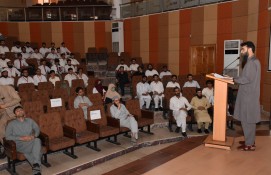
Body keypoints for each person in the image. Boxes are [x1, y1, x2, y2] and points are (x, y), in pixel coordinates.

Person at [233, 41, 261, 151]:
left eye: (243, 49)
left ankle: (249, 144)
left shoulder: (252, 63)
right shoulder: (252, 61)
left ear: (249, 49)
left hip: (248, 96)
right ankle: (250, 140)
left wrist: (233, 80)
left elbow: (247, 79)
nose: (241, 51)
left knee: (247, 120)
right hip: (248, 95)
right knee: (248, 120)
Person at [5, 106, 42, 175]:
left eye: (21, 110)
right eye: (17, 111)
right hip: (20, 144)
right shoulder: (11, 124)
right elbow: (7, 137)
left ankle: (36, 169)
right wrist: (21, 138)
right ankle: (37, 163)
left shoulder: (30, 120)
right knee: (37, 143)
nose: (19, 111)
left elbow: (37, 129)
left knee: (36, 140)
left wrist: (33, 136)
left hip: (30, 142)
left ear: (24, 112)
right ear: (15, 114)